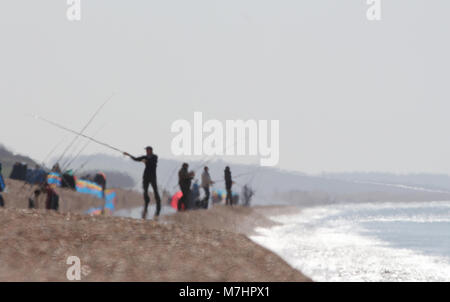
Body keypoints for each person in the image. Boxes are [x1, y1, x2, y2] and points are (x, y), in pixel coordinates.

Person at [124, 146, 161, 219]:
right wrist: (129, 155)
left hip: (152, 177)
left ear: (150, 150)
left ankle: (158, 205)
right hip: (146, 177)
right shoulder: (145, 157)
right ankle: (146, 204)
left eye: (147, 150)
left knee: (155, 191)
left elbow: (153, 162)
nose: (146, 151)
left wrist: (146, 161)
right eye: (146, 150)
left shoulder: (155, 157)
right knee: (145, 191)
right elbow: (136, 159)